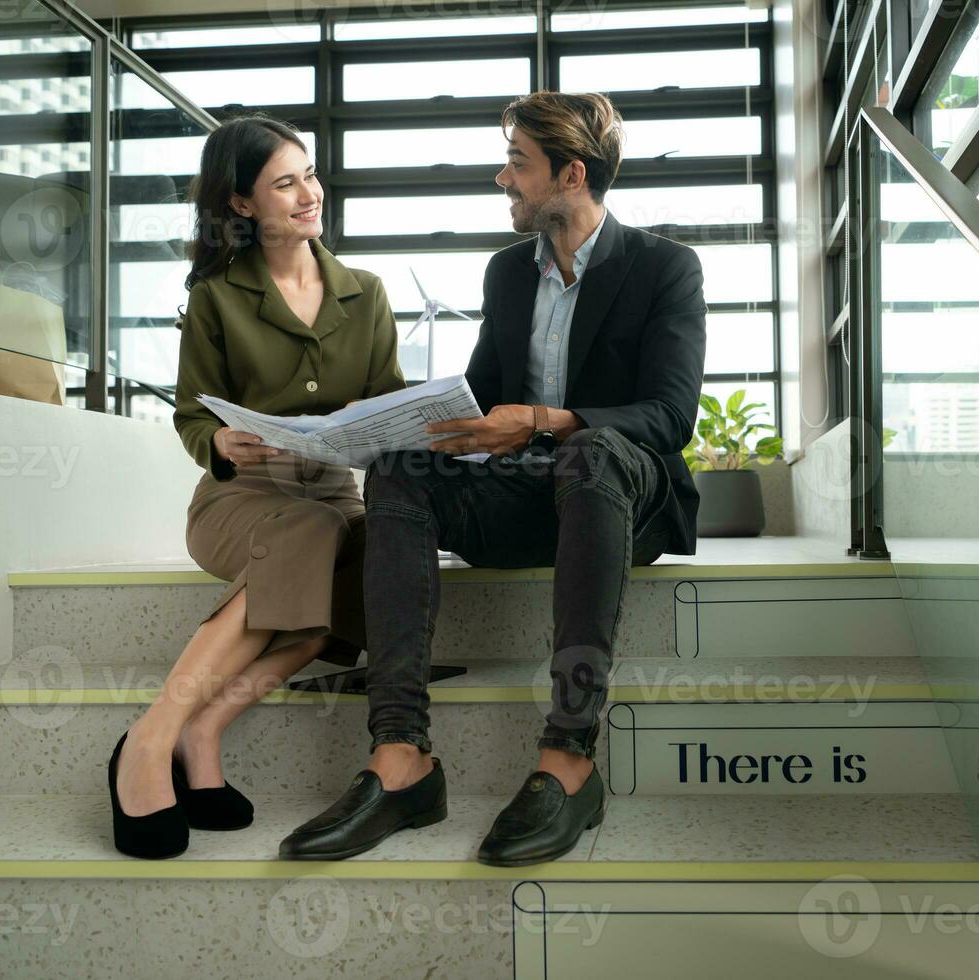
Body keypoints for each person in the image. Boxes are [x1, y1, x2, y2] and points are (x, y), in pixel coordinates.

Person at [279, 91, 707, 866]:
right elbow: (480, 400)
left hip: (616, 499)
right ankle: (401, 759)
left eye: (517, 162)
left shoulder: (665, 268)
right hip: (527, 499)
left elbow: (671, 416)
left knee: (593, 449)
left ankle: (570, 760)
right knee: (401, 471)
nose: (501, 177)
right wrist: (386, 419)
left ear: (571, 173)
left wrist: (545, 421)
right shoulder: (508, 274)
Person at [107, 115, 404, 859]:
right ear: (242, 204)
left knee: (338, 579)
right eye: (285, 183)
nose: (309, 193)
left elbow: (387, 406)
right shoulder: (215, 297)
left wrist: (397, 428)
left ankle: (205, 731)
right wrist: (221, 443)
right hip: (242, 497)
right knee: (309, 541)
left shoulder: (365, 293)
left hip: (333, 492)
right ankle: (150, 741)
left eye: (309, 174)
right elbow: (189, 418)